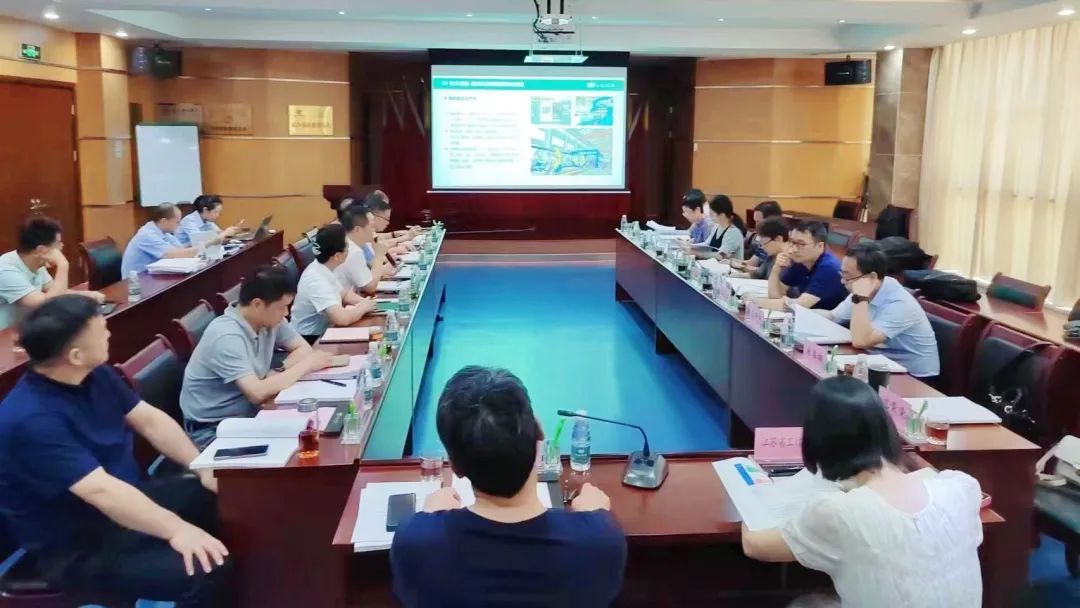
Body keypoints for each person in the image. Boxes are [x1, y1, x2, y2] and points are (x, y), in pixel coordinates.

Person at [0, 296, 232, 606]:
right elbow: (100, 491)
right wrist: (178, 530)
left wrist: (200, 465)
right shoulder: (30, 419)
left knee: (222, 496)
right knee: (209, 569)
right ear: (75, 355)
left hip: (121, 504)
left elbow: (149, 421)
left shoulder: (94, 374)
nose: (109, 334)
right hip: (76, 545)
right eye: (101, 332)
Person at [391, 366, 627, 606]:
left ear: (455, 466)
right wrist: (597, 516)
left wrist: (431, 516)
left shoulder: (414, 543)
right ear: (539, 435)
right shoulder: (602, 542)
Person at [742, 376, 983, 607]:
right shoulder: (961, 488)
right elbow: (923, 481)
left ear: (819, 441)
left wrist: (747, 491)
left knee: (806, 603)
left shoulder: (839, 512)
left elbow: (754, 545)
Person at [180, 266, 333, 449]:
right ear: (257, 304)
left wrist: (279, 370)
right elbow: (257, 393)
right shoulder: (226, 336)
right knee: (302, 445)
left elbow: (303, 349)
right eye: (282, 307)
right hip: (214, 429)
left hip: (248, 416)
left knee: (316, 430)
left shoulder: (270, 319)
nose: (286, 313)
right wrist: (307, 365)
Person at [817, 242, 940, 378]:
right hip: (881, 361)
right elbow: (833, 316)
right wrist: (800, 314)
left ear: (872, 277)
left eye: (848, 277)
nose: (842, 281)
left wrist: (861, 297)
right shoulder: (865, 287)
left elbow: (861, 341)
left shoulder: (899, 303)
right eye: (842, 274)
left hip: (914, 376)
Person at [0, 217, 104, 330]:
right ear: (41, 250)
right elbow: (49, 304)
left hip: (25, 328)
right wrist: (63, 264)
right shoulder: (5, 271)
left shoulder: (36, 262)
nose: (62, 246)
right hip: (5, 335)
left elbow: (55, 291)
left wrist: (85, 295)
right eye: (58, 243)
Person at [290, 224, 377, 341]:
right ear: (337, 256)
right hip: (310, 339)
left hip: (327, 329)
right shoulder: (316, 280)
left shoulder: (325, 266)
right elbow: (342, 319)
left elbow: (344, 293)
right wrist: (362, 308)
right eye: (347, 246)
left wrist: (365, 302)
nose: (350, 249)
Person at [757, 221, 846, 311]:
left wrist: (753, 302)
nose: (794, 249)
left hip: (828, 319)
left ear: (820, 246)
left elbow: (797, 307)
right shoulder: (800, 261)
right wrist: (776, 268)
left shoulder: (829, 268)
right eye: (792, 242)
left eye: (801, 244)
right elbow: (775, 297)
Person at [121, 204, 233, 276]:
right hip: (136, 283)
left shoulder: (164, 232)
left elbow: (182, 250)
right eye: (177, 222)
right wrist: (212, 242)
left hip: (153, 275)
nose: (179, 226)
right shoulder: (147, 235)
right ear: (164, 221)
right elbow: (176, 254)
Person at [335, 203, 393, 295]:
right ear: (358, 229)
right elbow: (370, 287)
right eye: (372, 227)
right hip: (344, 301)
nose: (374, 230)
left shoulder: (348, 242)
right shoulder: (352, 250)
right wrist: (379, 255)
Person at [364, 190, 422, 264]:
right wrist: (405, 238)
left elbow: (377, 240)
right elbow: (372, 258)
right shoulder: (361, 228)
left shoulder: (368, 227)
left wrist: (393, 234)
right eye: (384, 205)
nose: (386, 207)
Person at [689, 194, 745, 260]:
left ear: (722, 215)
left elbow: (721, 256)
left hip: (728, 266)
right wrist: (690, 246)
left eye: (712, 213)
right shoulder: (717, 226)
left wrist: (697, 254)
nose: (709, 215)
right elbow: (707, 244)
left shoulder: (733, 233)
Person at [176, 195, 243, 247]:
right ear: (205, 210)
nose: (218, 215)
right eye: (215, 212)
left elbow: (219, 234)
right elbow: (199, 243)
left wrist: (233, 231)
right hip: (184, 254)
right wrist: (225, 233)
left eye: (219, 213)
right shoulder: (189, 221)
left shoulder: (207, 220)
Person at [744, 200, 783, 264]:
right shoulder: (764, 238)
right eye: (755, 221)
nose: (756, 225)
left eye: (758, 222)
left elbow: (755, 266)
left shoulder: (774, 241)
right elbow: (752, 262)